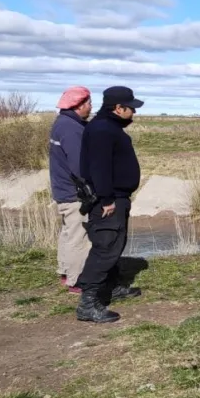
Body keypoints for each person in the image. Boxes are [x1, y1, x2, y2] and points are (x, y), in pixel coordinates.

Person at [75, 86, 144, 324]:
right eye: (131, 108)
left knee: (114, 245)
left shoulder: (107, 127)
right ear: (118, 108)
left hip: (116, 197)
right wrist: (106, 199)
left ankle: (111, 288)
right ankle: (88, 304)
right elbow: (99, 167)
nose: (133, 112)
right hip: (109, 199)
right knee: (105, 248)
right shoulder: (103, 130)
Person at [49, 86, 93, 294]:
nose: (91, 107)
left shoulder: (62, 122)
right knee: (78, 235)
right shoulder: (71, 128)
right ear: (79, 105)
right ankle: (76, 281)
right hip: (74, 192)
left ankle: (66, 272)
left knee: (68, 232)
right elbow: (79, 164)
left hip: (63, 189)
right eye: (89, 103)